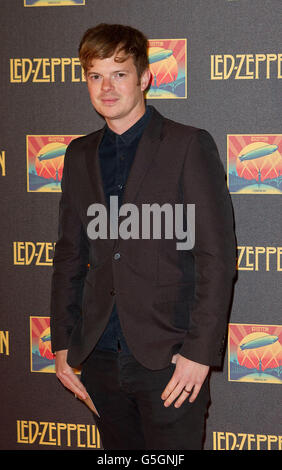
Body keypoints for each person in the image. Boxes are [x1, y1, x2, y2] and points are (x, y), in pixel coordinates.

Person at [50, 23, 236, 450]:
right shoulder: (78, 155)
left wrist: (199, 353)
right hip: (98, 356)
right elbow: (70, 257)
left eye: (119, 73)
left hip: (169, 359)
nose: (106, 87)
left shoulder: (187, 145)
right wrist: (62, 341)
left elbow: (216, 257)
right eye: (95, 75)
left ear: (145, 78)